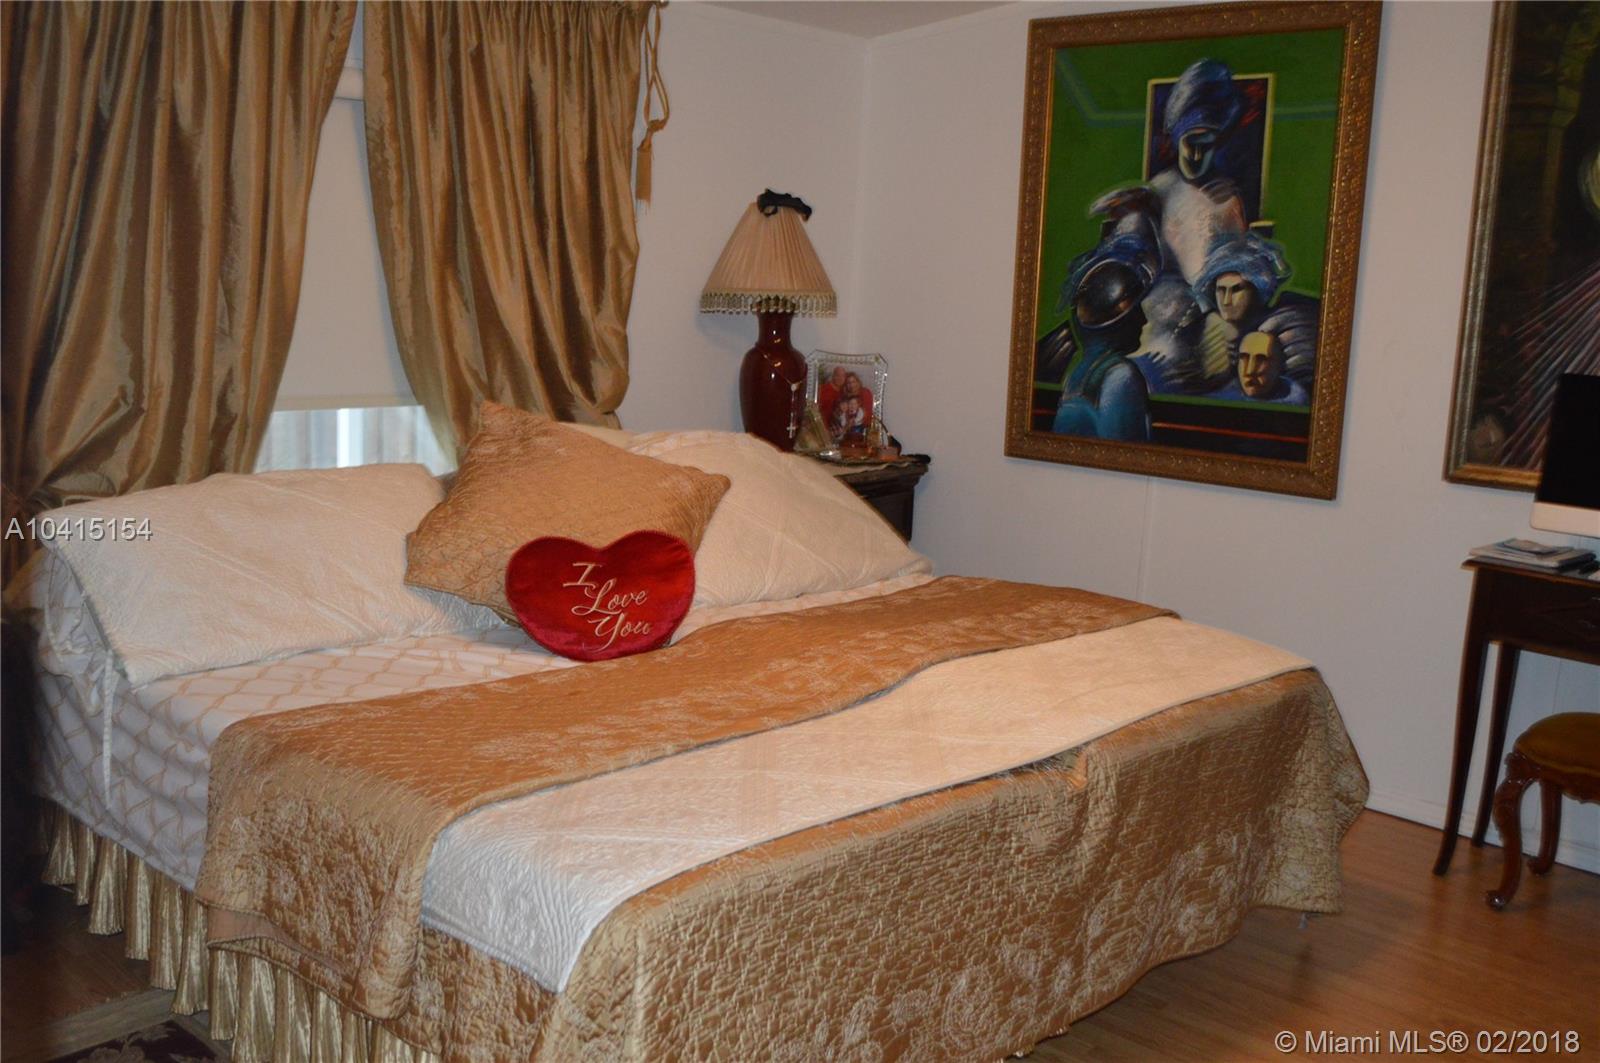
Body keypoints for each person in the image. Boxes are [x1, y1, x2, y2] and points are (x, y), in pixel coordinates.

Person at [1208, 330, 1309, 405]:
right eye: (1243, 358)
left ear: (1279, 365)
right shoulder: (1218, 399)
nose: (1249, 371)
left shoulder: (1297, 404)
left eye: (1261, 359)